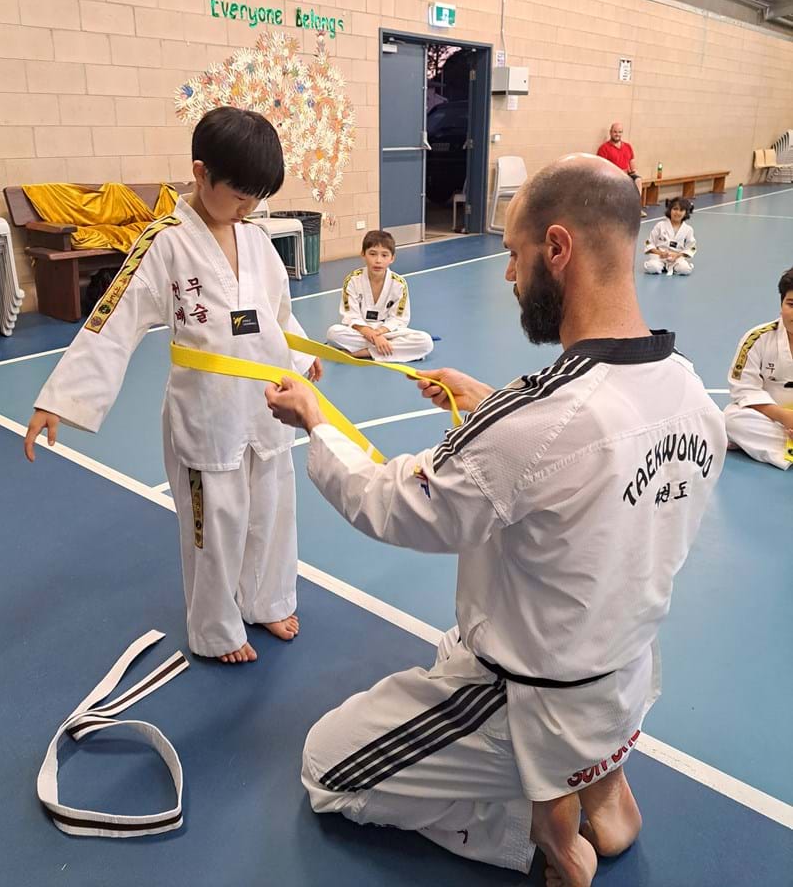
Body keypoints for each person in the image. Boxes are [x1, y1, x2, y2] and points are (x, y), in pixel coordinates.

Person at [266, 155, 726, 887]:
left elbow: (398, 506)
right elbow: (579, 463)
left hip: (530, 691)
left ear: (558, 249)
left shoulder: (538, 421)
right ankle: (604, 782)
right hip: (622, 673)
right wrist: (485, 403)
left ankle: (545, 831)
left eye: (514, 255)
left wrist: (317, 423)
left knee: (328, 769)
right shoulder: (692, 397)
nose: (510, 277)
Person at [23, 107, 322, 664]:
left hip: (266, 405)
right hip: (207, 414)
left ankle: (267, 598)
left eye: (256, 198)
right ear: (201, 172)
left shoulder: (255, 238)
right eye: (239, 195)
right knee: (216, 526)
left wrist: (299, 354)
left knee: (273, 509)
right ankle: (215, 628)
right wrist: (59, 397)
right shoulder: (164, 242)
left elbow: (276, 311)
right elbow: (114, 321)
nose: (248, 208)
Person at [326, 230, 433, 363]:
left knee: (425, 341)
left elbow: (398, 319)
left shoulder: (399, 283)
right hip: (362, 331)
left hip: (388, 331)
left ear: (392, 258)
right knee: (333, 333)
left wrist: (380, 333)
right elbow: (351, 316)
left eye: (384, 255)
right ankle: (385, 350)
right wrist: (374, 336)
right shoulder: (352, 280)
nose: (378, 260)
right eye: (372, 254)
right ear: (363, 254)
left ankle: (365, 352)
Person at [724, 267, 793, 471]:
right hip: (773, 418)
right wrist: (785, 417)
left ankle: (768, 446)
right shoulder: (757, 339)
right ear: (781, 305)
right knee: (730, 420)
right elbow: (744, 391)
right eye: (791, 304)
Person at [596, 122, 647, 216]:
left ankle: (635, 207)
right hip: (612, 176)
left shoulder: (628, 146)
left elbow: (632, 161)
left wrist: (634, 170)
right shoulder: (604, 148)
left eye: (619, 132)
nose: (617, 134)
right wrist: (617, 172)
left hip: (626, 174)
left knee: (638, 180)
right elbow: (601, 166)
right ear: (610, 132)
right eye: (615, 132)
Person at [644, 197, 696, 275]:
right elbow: (649, 243)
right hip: (660, 256)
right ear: (670, 210)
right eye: (675, 209)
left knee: (685, 270)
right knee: (652, 267)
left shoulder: (688, 229)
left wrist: (678, 255)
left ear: (686, 213)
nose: (678, 212)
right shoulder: (660, 225)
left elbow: (691, 247)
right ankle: (660, 265)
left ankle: (673, 267)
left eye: (681, 210)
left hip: (676, 258)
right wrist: (660, 253)